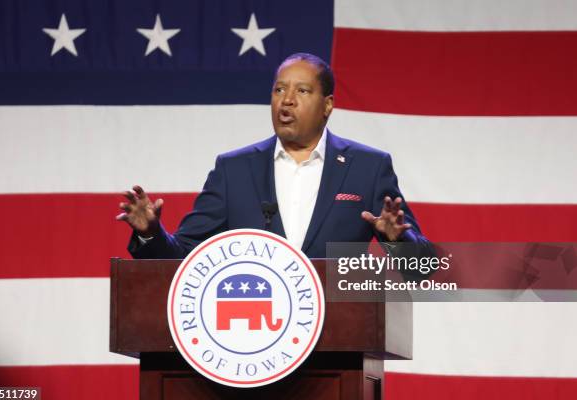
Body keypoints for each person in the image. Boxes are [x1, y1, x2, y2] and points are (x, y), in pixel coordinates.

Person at [117, 53, 431, 260]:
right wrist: (150, 234)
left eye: (303, 91)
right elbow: (184, 257)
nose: (288, 101)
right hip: (253, 341)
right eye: (279, 90)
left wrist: (396, 241)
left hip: (338, 343)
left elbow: (423, 269)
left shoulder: (368, 167)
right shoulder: (233, 170)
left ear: (328, 104)